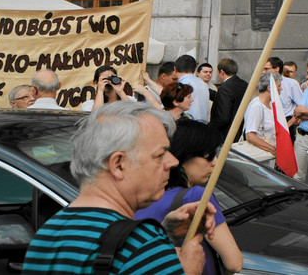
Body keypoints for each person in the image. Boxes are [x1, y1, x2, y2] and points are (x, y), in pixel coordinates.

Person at [22, 101, 213, 275]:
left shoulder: (47, 235)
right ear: (118, 164)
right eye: (160, 154)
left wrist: (167, 235)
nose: (173, 161)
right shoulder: (142, 245)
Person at [136, 120, 244, 275]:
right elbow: (234, 263)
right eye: (208, 155)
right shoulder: (196, 196)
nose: (215, 162)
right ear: (183, 157)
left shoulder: (141, 200)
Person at [209, 58, 248, 141]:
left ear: (222, 72)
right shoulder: (244, 84)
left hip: (226, 135)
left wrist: (209, 127)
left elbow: (223, 117)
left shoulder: (225, 88)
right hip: (240, 131)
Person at [242, 75, 277, 164]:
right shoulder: (257, 106)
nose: (281, 89)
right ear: (270, 88)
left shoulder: (270, 105)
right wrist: (273, 150)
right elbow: (250, 136)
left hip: (267, 155)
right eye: (279, 86)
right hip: (259, 156)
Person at [264, 57, 302, 133]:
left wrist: (288, 124)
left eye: (266, 69)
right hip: (268, 123)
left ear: (277, 69)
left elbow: (301, 105)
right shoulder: (263, 83)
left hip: (285, 122)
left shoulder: (291, 84)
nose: (264, 72)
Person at [175, 55, 211, 123]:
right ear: (195, 69)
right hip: (203, 126)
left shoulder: (182, 84)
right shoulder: (203, 83)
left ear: (175, 69)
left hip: (187, 126)